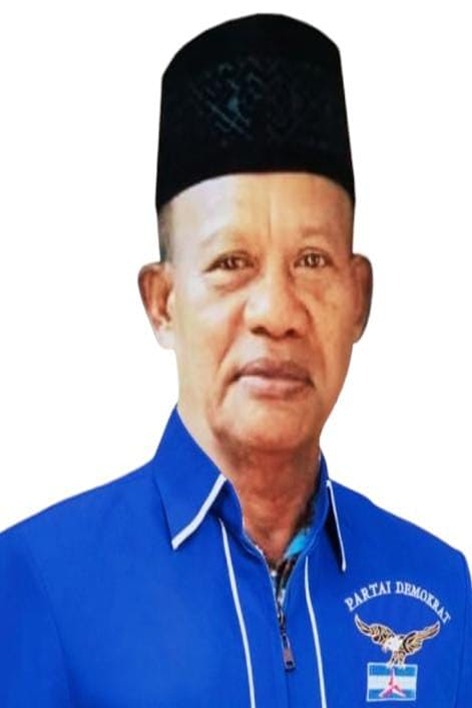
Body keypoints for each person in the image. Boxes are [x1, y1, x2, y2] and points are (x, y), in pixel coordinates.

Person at [0, 13, 470, 707]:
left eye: (312, 260)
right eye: (231, 262)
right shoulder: (38, 584)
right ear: (162, 302)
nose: (276, 311)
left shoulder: (439, 586)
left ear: (360, 297)